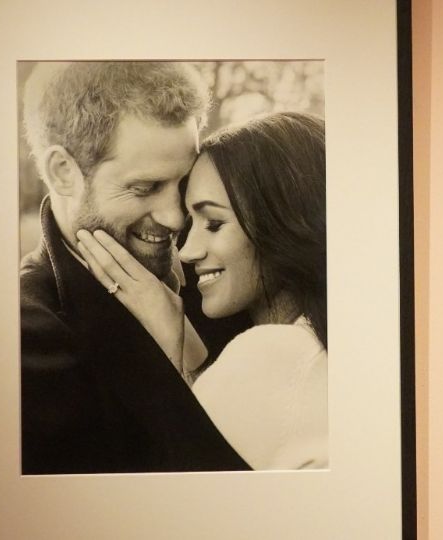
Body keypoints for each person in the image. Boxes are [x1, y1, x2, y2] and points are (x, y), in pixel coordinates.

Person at [19, 61, 250, 474]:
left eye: (182, 183)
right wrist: (162, 369)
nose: (176, 219)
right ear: (64, 172)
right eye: (145, 188)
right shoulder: (26, 343)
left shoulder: (223, 275)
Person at [76, 112, 328, 469]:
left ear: (283, 224)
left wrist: (165, 352)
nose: (187, 251)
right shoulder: (320, 348)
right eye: (191, 223)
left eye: (214, 223)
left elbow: (166, 483)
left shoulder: (271, 354)